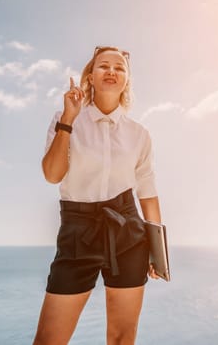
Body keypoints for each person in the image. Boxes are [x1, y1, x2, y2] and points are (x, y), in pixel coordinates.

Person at [33, 46, 162, 345]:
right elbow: (52, 174)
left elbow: (147, 191)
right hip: (78, 231)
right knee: (48, 340)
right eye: (104, 66)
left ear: (126, 80)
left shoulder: (139, 133)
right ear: (90, 76)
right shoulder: (65, 119)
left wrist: (157, 249)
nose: (112, 71)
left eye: (119, 68)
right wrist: (68, 118)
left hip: (128, 233)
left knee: (121, 338)